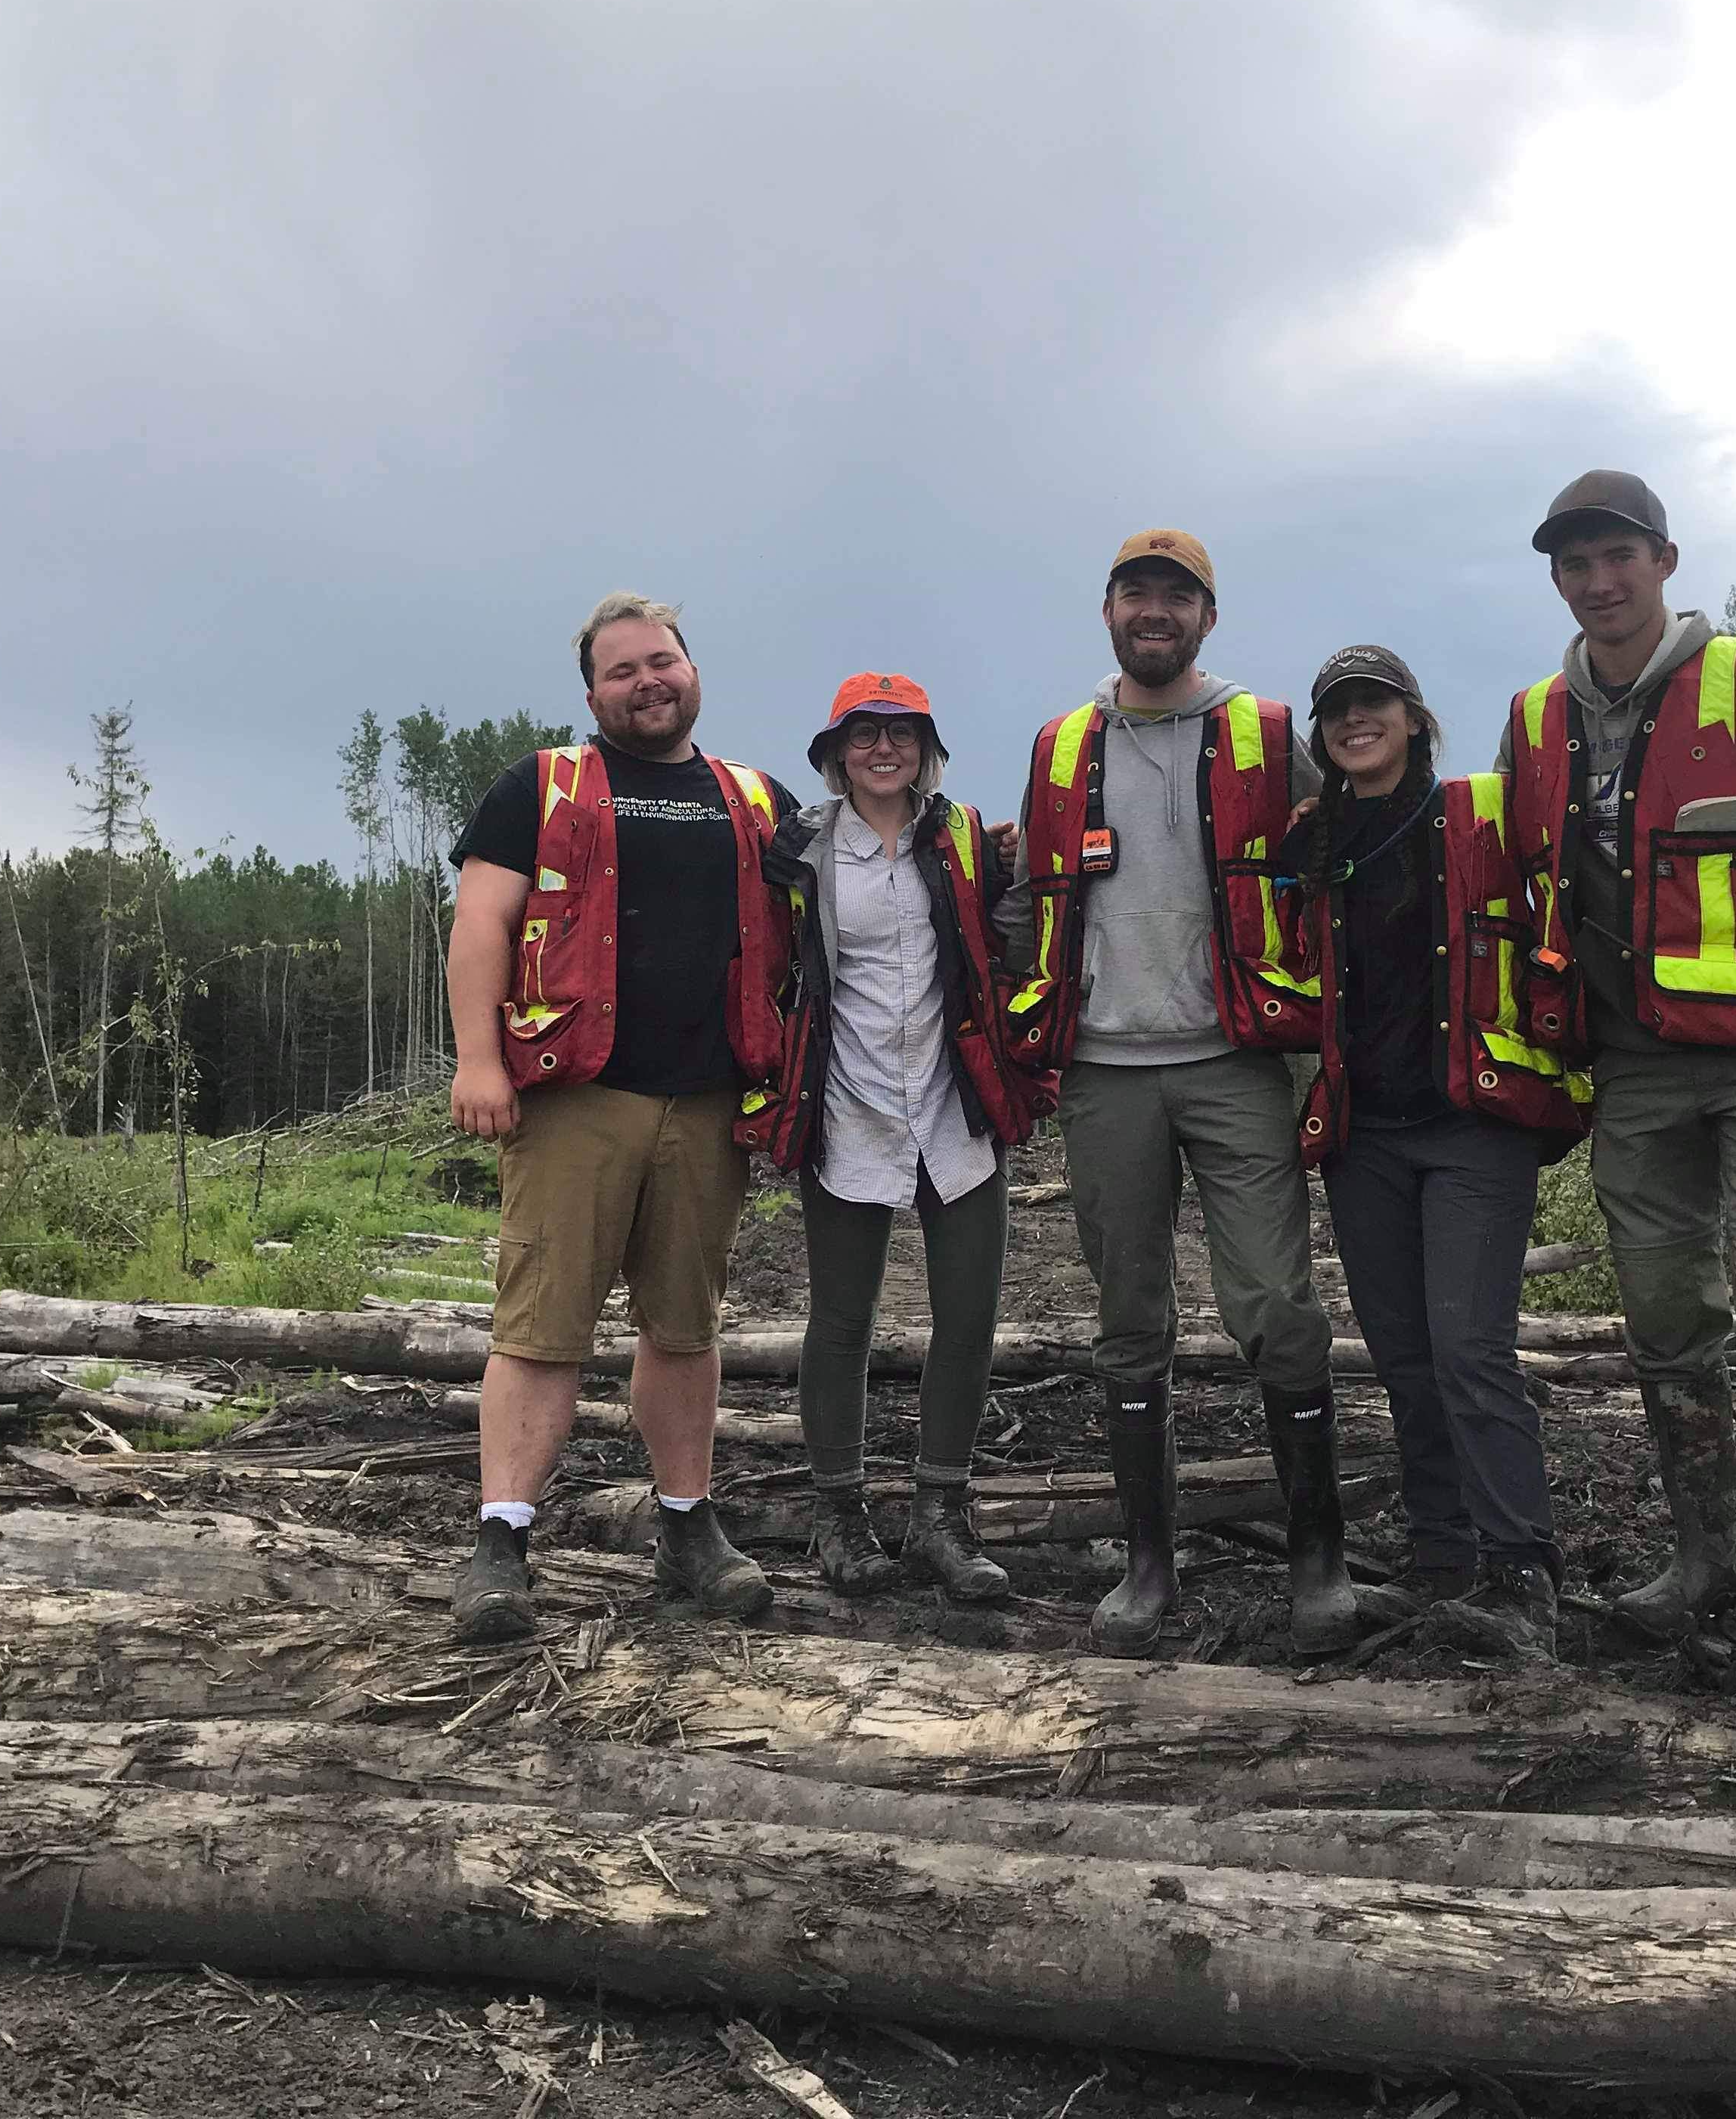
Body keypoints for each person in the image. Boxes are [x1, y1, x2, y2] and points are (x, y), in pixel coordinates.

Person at [1498, 471, 1736, 1668]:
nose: (1600, 581)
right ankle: (1703, 1554)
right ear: (1557, 580)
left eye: (1619, 557)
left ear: (1664, 562)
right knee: (1667, 1321)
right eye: (1576, 564)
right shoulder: (1534, 721)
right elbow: (1513, 888)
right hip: (1632, 1069)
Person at [998, 528, 1341, 1655]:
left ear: (1209, 615)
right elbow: (1026, 898)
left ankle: (1318, 1558)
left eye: (1177, 596)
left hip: (1237, 1062)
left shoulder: (1270, 736)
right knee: (1127, 1319)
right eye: (1136, 594)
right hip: (1105, 1071)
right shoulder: (1060, 747)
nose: (1156, 613)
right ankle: (1150, 1565)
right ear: (1108, 612)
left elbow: (1342, 863)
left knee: (1277, 1309)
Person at [443, 592, 798, 1642]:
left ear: (693, 668)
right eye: (622, 672)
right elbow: (481, 922)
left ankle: (688, 1530)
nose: (647, 682)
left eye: (662, 662)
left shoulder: (756, 797)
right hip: (574, 1099)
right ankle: (501, 1546)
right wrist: (476, 1060)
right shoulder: (540, 787)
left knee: (685, 1330)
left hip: (708, 1099)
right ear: (592, 693)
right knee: (542, 1327)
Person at [1285, 644, 1592, 1658]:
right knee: (1406, 1359)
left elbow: (1573, 894)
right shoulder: (1317, 837)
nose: (1353, 721)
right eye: (1336, 711)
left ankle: (1523, 1575)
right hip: (1364, 1134)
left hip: (1474, 1123)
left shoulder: (1484, 814)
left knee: (1469, 1351)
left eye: (1373, 704)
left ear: (1415, 717)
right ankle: (1442, 1564)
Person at [742, 672, 1045, 1602]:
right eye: (865, 734)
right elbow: (764, 957)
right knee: (841, 1321)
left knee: (968, 1318)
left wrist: (1023, 870)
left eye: (902, 734)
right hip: (848, 1105)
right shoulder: (798, 848)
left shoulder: (962, 835)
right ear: (835, 751)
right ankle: (840, 1517)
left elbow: (1009, 937)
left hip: (957, 1106)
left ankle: (941, 1519)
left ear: (926, 747)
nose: (884, 750)